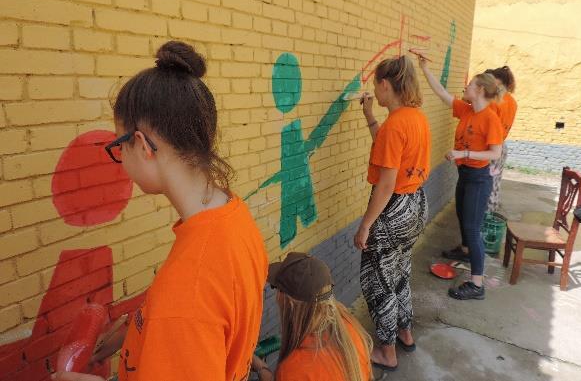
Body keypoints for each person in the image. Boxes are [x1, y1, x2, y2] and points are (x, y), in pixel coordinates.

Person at [53, 41, 268, 381]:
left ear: (141, 144)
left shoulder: (187, 289)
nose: (121, 158)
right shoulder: (233, 217)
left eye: (118, 146)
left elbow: (188, 307)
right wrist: (138, 332)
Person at [354, 56, 431, 371]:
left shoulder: (395, 126)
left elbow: (386, 184)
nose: (375, 90)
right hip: (415, 204)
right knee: (399, 271)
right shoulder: (415, 118)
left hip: (393, 207)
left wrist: (365, 226)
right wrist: (370, 116)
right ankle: (405, 332)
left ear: (386, 85)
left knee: (378, 280)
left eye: (376, 85)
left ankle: (386, 351)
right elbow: (391, 155)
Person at [418, 55, 503, 301]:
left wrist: (463, 152)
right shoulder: (467, 110)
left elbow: (495, 153)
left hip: (478, 177)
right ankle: (466, 252)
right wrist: (425, 68)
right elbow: (443, 94)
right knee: (463, 218)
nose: (465, 87)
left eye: (470, 85)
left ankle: (477, 284)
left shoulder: (490, 118)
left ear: (479, 90)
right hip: (465, 173)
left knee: (472, 227)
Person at [250, 252, 372, 381]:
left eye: (276, 288)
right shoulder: (349, 327)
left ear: (290, 302)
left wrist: (262, 370)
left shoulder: (293, 369)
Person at [486, 66, 518, 212]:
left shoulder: (494, 101)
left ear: (499, 81)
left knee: (486, 184)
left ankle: (485, 216)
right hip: (501, 146)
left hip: (489, 147)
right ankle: (491, 212)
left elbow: (487, 124)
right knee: (495, 183)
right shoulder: (512, 102)